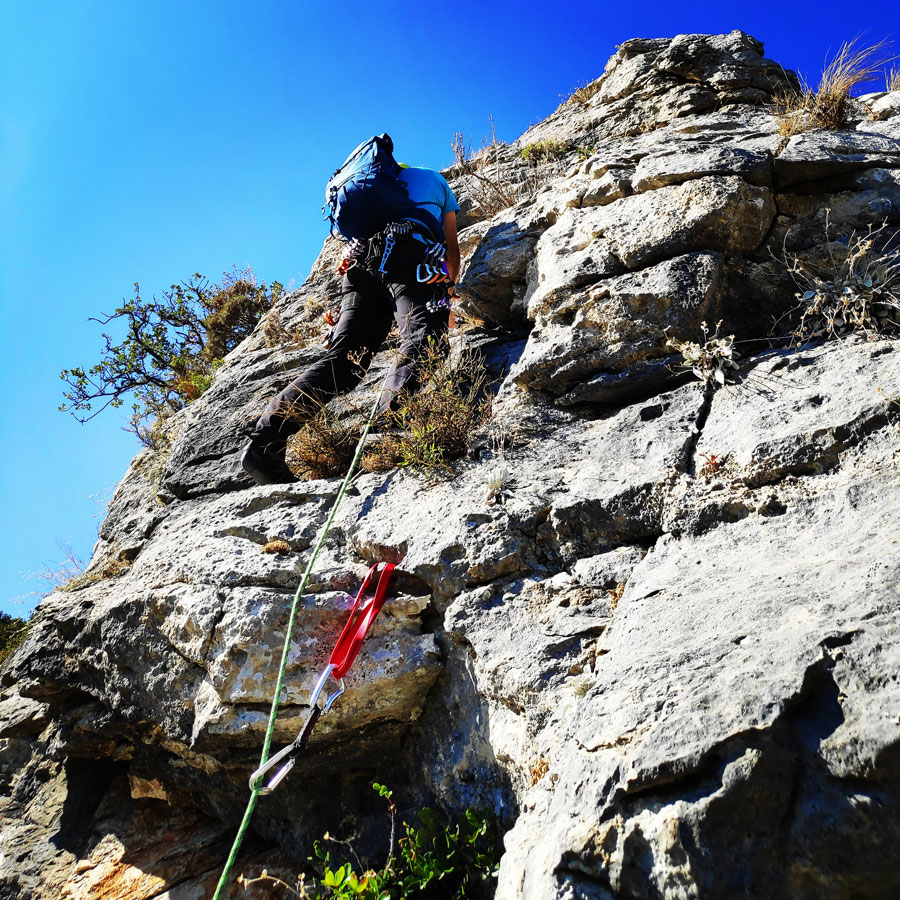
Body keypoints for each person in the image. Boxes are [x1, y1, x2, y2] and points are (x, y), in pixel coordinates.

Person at [241, 151, 461, 485]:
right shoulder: (434, 179)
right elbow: (451, 248)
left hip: (359, 268)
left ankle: (264, 444)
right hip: (411, 257)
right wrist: (447, 287)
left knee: (344, 361)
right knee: (423, 337)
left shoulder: (363, 195)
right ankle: (393, 432)